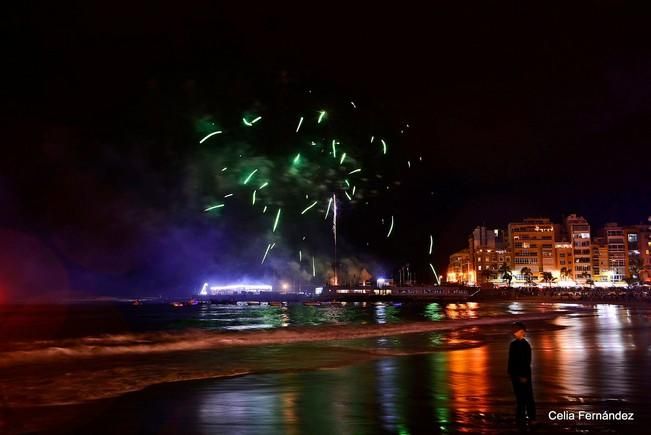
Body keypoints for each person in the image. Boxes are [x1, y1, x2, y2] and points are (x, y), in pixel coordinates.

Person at [508, 321, 536, 423]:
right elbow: (511, 360)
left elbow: (526, 361)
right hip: (515, 375)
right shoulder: (513, 344)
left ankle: (531, 418)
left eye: (516, 331)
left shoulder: (526, 345)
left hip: (524, 375)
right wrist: (510, 372)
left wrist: (523, 376)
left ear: (522, 332)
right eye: (513, 331)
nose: (514, 333)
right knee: (519, 397)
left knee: (528, 396)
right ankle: (520, 417)